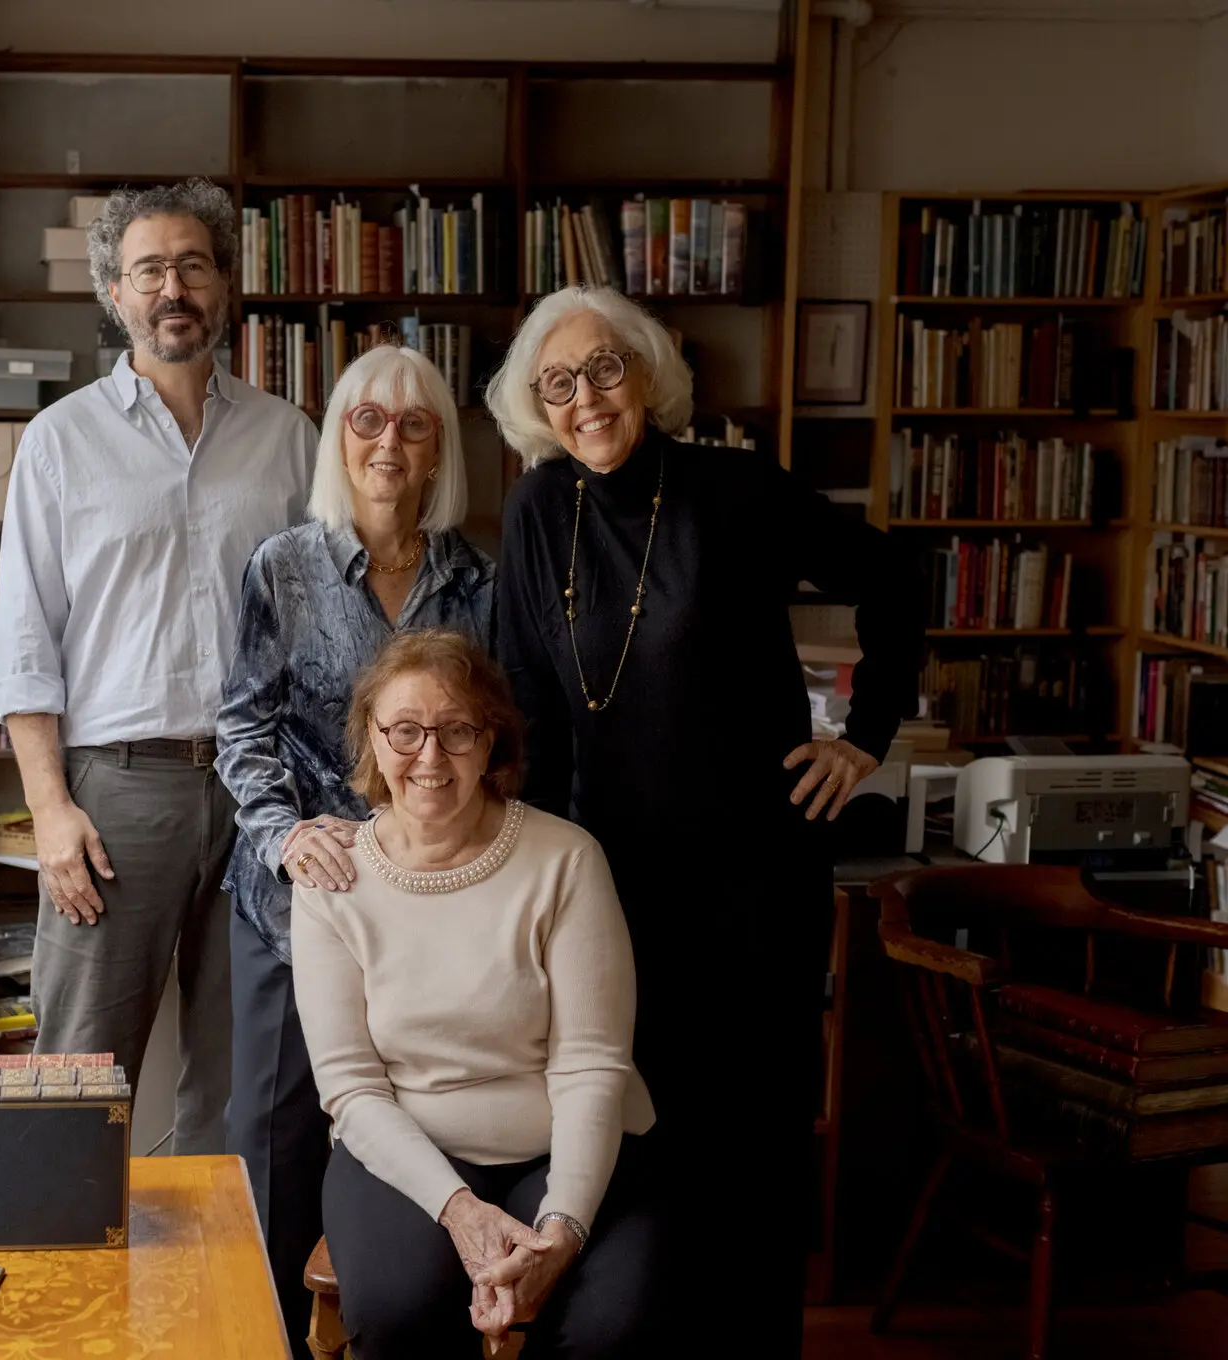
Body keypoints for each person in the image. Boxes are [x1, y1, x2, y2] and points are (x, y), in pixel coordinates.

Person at [482, 285, 923, 1353]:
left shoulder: (729, 489)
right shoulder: (540, 508)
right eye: (557, 382)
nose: (584, 398)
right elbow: (518, 700)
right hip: (600, 885)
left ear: (646, 374)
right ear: (534, 405)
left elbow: (891, 578)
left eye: (604, 369)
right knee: (625, 1138)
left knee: (750, 1143)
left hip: (748, 884)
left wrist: (863, 735)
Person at [0, 178, 317, 1152]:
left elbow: (316, 631)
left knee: (239, 1076)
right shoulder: (57, 443)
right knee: (80, 1072)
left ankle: (210, 1299)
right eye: (148, 271)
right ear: (113, 292)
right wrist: (50, 811)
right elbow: (23, 646)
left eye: (191, 265)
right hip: (115, 794)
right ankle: (72, 1295)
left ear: (222, 286)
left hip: (259, 791)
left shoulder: (287, 439)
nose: (171, 287)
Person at [215, 342, 494, 1345]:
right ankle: (267, 1336)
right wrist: (285, 833)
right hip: (295, 898)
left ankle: (403, 1314)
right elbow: (241, 727)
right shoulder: (283, 567)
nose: (387, 442)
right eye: (366, 420)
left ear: (436, 451)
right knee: (272, 1135)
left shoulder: (475, 583)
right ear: (339, 437)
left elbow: (487, 741)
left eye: (412, 425)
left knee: (416, 1116)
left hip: (427, 904)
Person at [293, 630, 657, 1358]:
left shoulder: (566, 861)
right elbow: (352, 1088)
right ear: (372, 738)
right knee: (400, 1313)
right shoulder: (331, 879)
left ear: (491, 743)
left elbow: (591, 1066)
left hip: (564, 1147)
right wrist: (459, 1211)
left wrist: (561, 1229)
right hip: (404, 1154)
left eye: (457, 730)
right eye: (404, 731)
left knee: (605, 1328)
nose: (429, 757)